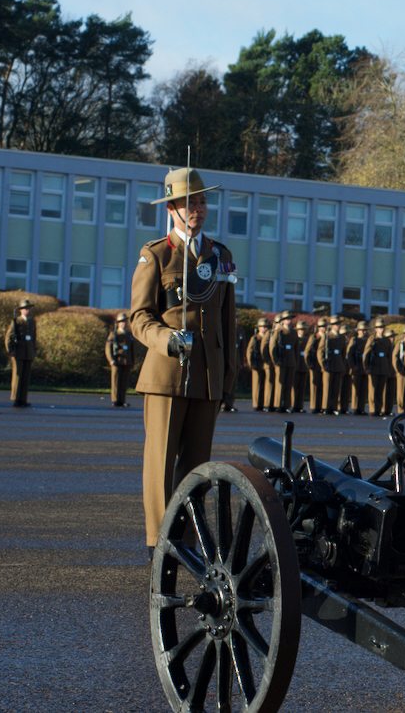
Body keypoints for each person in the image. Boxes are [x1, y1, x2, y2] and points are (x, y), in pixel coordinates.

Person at [130, 167, 236, 557]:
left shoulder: (220, 255)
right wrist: (167, 340)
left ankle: (189, 542)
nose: (199, 209)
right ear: (171, 208)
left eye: (203, 201)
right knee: (160, 465)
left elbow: (228, 321)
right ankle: (160, 544)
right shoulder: (155, 254)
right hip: (166, 375)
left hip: (207, 377)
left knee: (197, 467)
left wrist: (228, 379)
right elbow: (139, 318)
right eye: (190, 203)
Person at [6, 298, 37, 408]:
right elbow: (9, 337)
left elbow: (34, 338)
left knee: (26, 376)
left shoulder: (32, 322)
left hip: (28, 352)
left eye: (29, 308)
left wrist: (33, 351)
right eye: (25, 308)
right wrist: (11, 351)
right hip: (18, 351)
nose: (28, 310)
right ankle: (16, 398)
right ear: (21, 310)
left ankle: (23, 399)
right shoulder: (16, 321)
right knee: (18, 376)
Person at [363, 319, 394, 417]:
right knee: (373, 390)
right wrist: (366, 367)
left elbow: (389, 356)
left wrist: (389, 369)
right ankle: (373, 409)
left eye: (383, 327)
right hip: (374, 366)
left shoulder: (386, 340)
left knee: (381, 390)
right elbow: (366, 354)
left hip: (383, 367)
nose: (382, 329)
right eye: (380, 327)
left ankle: (379, 409)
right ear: (376, 329)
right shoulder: (372, 339)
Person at [269, 311, 298, 413]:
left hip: (291, 361)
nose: (289, 321)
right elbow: (273, 347)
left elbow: (296, 349)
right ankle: (278, 405)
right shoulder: (278, 332)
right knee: (280, 384)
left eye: (290, 319)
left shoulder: (294, 332)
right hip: (281, 361)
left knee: (288, 384)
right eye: (287, 319)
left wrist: (296, 362)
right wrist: (276, 360)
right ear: (283, 321)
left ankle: (286, 405)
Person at [106, 312, 137, 407]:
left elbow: (132, 349)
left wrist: (132, 361)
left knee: (124, 382)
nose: (124, 324)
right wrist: (111, 359)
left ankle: (122, 400)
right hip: (117, 359)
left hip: (126, 360)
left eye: (125, 322)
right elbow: (108, 348)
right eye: (122, 322)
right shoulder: (114, 334)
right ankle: (115, 400)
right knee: (116, 381)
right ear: (118, 323)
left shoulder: (129, 334)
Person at [348, 320, 369, 416]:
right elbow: (350, 355)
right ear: (358, 331)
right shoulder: (354, 340)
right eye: (362, 330)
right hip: (357, 367)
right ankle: (355, 407)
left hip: (365, 368)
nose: (364, 332)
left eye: (365, 330)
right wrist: (353, 366)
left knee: (363, 390)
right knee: (356, 389)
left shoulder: (368, 341)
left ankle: (361, 408)